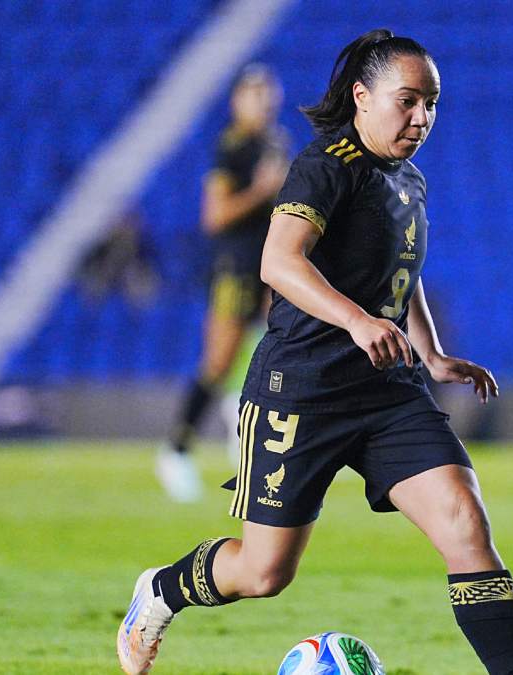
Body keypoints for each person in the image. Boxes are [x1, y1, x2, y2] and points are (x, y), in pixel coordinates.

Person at [117, 29, 513, 675]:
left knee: (465, 522)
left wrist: (432, 353)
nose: (421, 117)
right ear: (362, 97)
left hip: (388, 391)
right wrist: (357, 320)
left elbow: (402, 270)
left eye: (431, 103)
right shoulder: (324, 165)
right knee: (264, 573)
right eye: (407, 101)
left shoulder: (410, 180)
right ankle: (161, 590)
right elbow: (278, 261)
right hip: (301, 388)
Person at [157, 64, 290, 502]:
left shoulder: (276, 142)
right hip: (235, 266)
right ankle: (176, 450)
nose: (263, 103)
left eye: (268, 94)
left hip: (271, 265)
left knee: (282, 351)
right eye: (254, 95)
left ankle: (249, 436)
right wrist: (261, 191)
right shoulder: (231, 148)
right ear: (237, 102)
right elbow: (214, 216)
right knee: (218, 361)